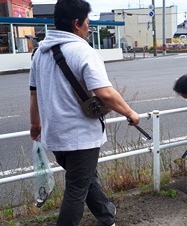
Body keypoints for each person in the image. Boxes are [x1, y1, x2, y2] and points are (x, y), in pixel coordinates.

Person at [29, 0, 140, 225]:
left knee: (87, 179)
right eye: (87, 23)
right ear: (77, 23)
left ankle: (107, 216)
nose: (88, 28)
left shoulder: (40, 54)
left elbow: (33, 94)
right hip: (80, 138)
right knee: (76, 190)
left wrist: (36, 124)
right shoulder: (83, 51)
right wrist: (130, 112)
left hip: (56, 137)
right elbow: (105, 93)